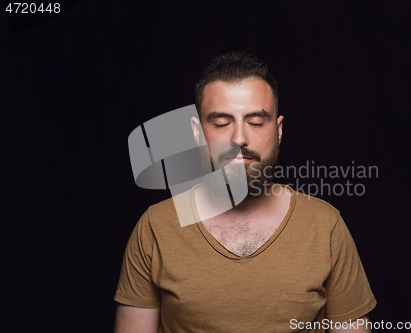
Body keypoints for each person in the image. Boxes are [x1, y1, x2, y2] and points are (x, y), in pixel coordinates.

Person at [114, 51, 377, 333]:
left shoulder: (325, 226)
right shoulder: (155, 227)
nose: (239, 138)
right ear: (197, 132)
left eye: (255, 121)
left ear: (278, 130)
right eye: (221, 123)